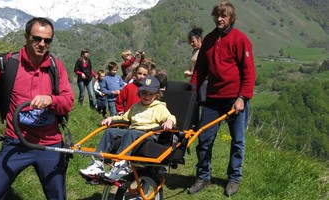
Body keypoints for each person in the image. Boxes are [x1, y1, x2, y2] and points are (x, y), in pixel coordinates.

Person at [0, 17, 74, 200]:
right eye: (36, 38)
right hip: (16, 143)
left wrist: (51, 99)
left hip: (50, 145)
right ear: (26, 37)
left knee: (58, 197)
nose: (42, 44)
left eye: (47, 40)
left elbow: (68, 102)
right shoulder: (7, 63)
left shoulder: (56, 66)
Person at [188, 1, 256, 197]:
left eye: (224, 16)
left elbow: (249, 72)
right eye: (217, 15)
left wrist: (242, 97)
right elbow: (199, 70)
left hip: (235, 99)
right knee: (204, 139)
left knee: (237, 141)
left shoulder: (240, 39)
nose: (219, 18)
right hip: (213, 99)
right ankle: (203, 176)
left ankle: (234, 179)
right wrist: (192, 92)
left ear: (231, 18)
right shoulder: (208, 40)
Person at [80, 75, 176, 180]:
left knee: (131, 132)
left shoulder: (159, 107)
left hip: (149, 135)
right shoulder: (135, 107)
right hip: (134, 133)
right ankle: (97, 163)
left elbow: (170, 117)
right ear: (139, 93)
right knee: (110, 131)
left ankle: (122, 165)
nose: (147, 96)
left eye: (150, 94)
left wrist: (169, 121)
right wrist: (112, 118)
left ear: (156, 95)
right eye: (144, 93)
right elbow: (125, 118)